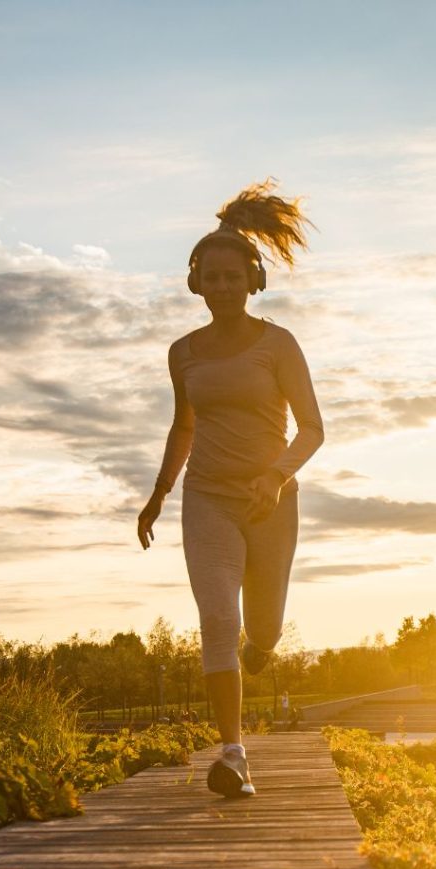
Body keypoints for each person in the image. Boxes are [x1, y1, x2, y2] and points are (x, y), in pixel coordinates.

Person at [137, 181, 324, 799]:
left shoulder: (278, 344)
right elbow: (184, 425)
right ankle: (234, 755)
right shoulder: (183, 353)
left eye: (230, 277)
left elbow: (313, 429)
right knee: (219, 618)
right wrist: (161, 492)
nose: (219, 288)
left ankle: (262, 649)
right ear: (195, 283)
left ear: (252, 280)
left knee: (262, 628)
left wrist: (274, 477)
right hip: (208, 499)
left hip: (271, 501)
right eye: (208, 278)